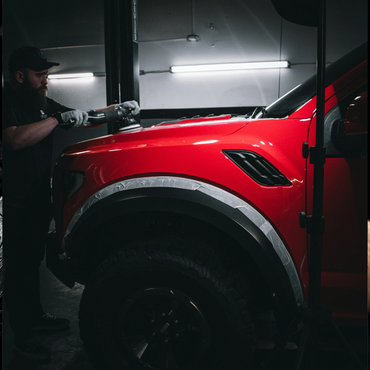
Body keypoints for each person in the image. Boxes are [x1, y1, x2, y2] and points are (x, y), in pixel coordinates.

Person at [2, 45, 140, 361]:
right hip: (15, 201)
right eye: (40, 75)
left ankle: (35, 319)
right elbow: (14, 139)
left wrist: (117, 110)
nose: (45, 81)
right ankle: (22, 338)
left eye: (46, 75)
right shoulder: (7, 101)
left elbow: (84, 118)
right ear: (20, 76)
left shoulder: (42, 103)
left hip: (37, 198)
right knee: (19, 270)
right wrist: (56, 120)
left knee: (33, 263)